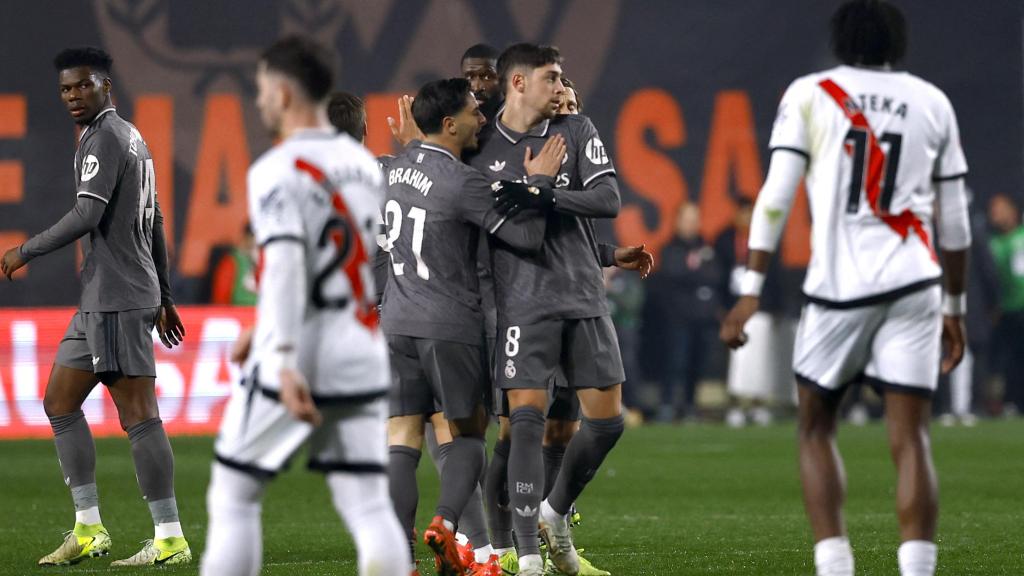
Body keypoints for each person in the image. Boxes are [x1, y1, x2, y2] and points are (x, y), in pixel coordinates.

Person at [720, 2, 970, 575]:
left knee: (815, 425)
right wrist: (954, 306)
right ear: (897, 41)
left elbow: (777, 195)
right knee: (912, 438)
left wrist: (751, 286)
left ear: (841, 39)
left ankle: (836, 567)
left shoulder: (811, 92)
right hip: (916, 282)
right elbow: (953, 222)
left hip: (839, 288)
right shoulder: (932, 101)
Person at [199, 36, 408, 576]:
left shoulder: (277, 167)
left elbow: (291, 266)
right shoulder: (364, 166)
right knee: (368, 505)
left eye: (264, 88)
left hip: (302, 354)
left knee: (234, 495)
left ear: (285, 91)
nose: (260, 99)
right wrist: (264, 321)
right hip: (361, 349)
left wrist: (284, 352)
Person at [0, 46, 189, 567]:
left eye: (83, 86)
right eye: (65, 89)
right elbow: (155, 219)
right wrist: (166, 294)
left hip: (117, 297)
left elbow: (87, 215)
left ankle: (170, 536)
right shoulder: (132, 136)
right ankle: (89, 528)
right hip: (106, 295)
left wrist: (24, 249)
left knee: (139, 416)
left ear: (106, 85)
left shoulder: (104, 138)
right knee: (59, 401)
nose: (73, 97)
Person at [466, 43, 628, 576]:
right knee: (523, 427)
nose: (561, 87)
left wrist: (546, 195)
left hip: (583, 295)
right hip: (521, 306)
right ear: (518, 83)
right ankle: (528, 557)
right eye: (552, 77)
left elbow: (607, 201)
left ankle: (555, 515)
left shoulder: (576, 130)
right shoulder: (481, 145)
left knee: (605, 425)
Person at [383, 78, 548, 576]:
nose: (483, 118)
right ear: (450, 124)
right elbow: (527, 237)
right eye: (475, 112)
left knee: (402, 439)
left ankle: (398, 561)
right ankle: (445, 524)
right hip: (449, 323)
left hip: (396, 320)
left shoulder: (392, 170)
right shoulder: (464, 183)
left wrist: (414, 143)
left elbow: (418, 168)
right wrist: (538, 183)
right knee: (470, 435)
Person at [651, 202, 722, 422]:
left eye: (695, 219)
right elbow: (674, 274)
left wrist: (694, 273)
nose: (692, 224)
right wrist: (696, 274)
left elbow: (715, 276)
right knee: (675, 362)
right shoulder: (670, 248)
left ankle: (690, 405)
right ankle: (667, 404)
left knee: (697, 364)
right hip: (677, 317)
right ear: (678, 221)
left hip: (702, 317)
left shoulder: (707, 247)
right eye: (688, 219)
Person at [987, 193, 1024, 416]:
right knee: (1010, 360)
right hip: (1006, 310)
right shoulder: (992, 243)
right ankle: (1012, 401)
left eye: (1000, 209)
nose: (996, 215)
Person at [210, 223, 258, 305]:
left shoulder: (268, 262)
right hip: (238, 313)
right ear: (246, 238)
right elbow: (220, 299)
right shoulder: (232, 262)